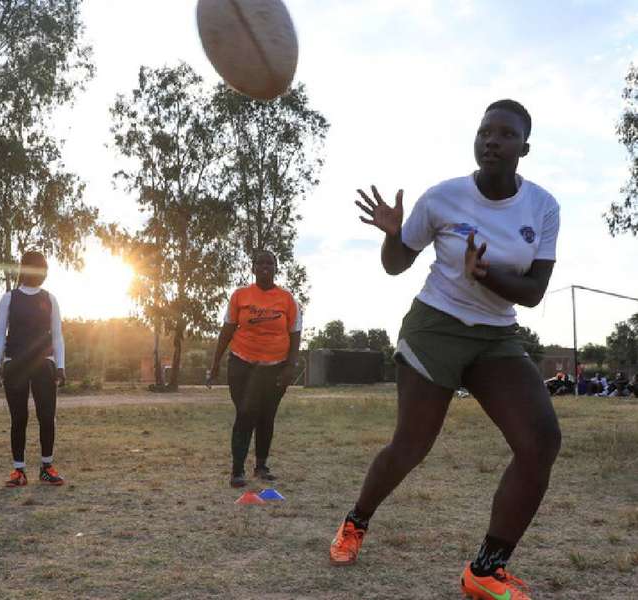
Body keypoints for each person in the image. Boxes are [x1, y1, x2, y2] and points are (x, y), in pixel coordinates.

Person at [333, 100, 561, 600]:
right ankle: (356, 521)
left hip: (496, 334)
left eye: (505, 134)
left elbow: (534, 291)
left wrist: (488, 275)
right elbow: (396, 265)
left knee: (541, 440)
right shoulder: (442, 198)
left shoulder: (542, 207)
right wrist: (394, 235)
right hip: (435, 326)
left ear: (525, 147)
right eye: (484, 132)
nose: (491, 141)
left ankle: (486, 569)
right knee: (411, 446)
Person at [207, 250, 301, 488]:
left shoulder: (288, 300)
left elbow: (295, 335)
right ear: (253, 268)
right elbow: (227, 330)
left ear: (276, 267)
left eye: (270, 263)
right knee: (246, 413)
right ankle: (237, 470)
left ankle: (261, 466)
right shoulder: (240, 296)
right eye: (260, 263)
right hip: (243, 364)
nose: (265, 267)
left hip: (275, 367)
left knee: (267, 416)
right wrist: (215, 362)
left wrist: (290, 366)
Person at [0, 251, 66, 487]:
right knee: (19, 418)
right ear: (24, 269)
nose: (40, 272)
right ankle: (19, 471)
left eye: (43, 268)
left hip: (44, 364)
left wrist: (61, 365)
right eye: (35, 267)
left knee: (47, 416)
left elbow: (58, 336)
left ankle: (47, 467)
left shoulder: (50, 299)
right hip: (15, 364)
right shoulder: (9, 298)